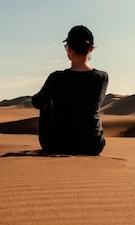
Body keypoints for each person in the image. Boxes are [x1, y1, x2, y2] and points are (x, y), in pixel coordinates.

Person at [31, 25, 108, 156]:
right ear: (91, 49)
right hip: (92, 145)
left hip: (57, 145)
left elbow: (37, 102)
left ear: (69, 49)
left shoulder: (56, 78)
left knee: (46, 104)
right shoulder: (102, 77)